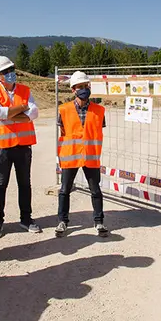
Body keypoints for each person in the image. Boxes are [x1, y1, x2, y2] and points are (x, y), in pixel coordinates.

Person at [0, 56, 41, 239]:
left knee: (25, 183)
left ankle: (26, 218)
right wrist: (22, 108)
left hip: (23, 146)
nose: (11, 74)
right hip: (2, 147)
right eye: (6, 71)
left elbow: (34, 112)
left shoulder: (25, 89)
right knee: (1, 184)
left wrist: (12, 114)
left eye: (12, 69)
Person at [55, 71, 109, 238]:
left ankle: (99, 221)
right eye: (80, 87)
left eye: (86, 86)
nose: (84, 89)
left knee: (96, 190)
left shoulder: (99, 110)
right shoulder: (63, 110)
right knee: (64, 190)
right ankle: (62, 221)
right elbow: (63, 130)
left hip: (90, 156)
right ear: (73, 90)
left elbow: (98, 130)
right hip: (71, 156)